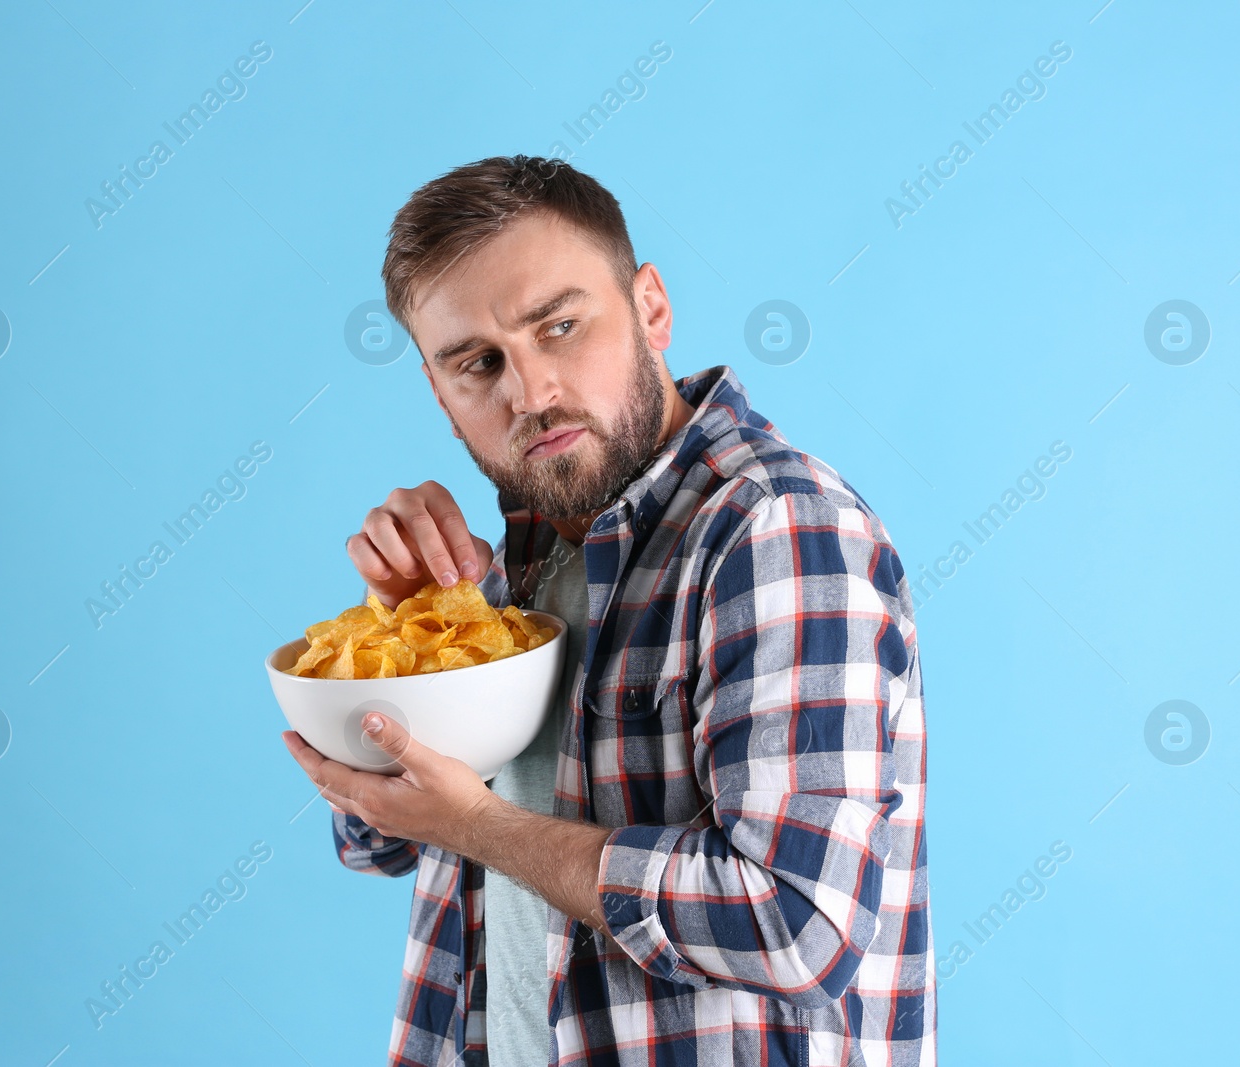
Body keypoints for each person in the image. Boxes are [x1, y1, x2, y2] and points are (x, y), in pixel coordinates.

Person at [281, 155, 935, 1066]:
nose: (531, 391)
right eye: (478, 364)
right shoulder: (505, 570)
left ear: (651, 309)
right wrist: (400, 646)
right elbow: (379, 840)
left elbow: (798, 923)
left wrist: (478, 825)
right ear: (440, 392)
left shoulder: (772, 528)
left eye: (560, 325)